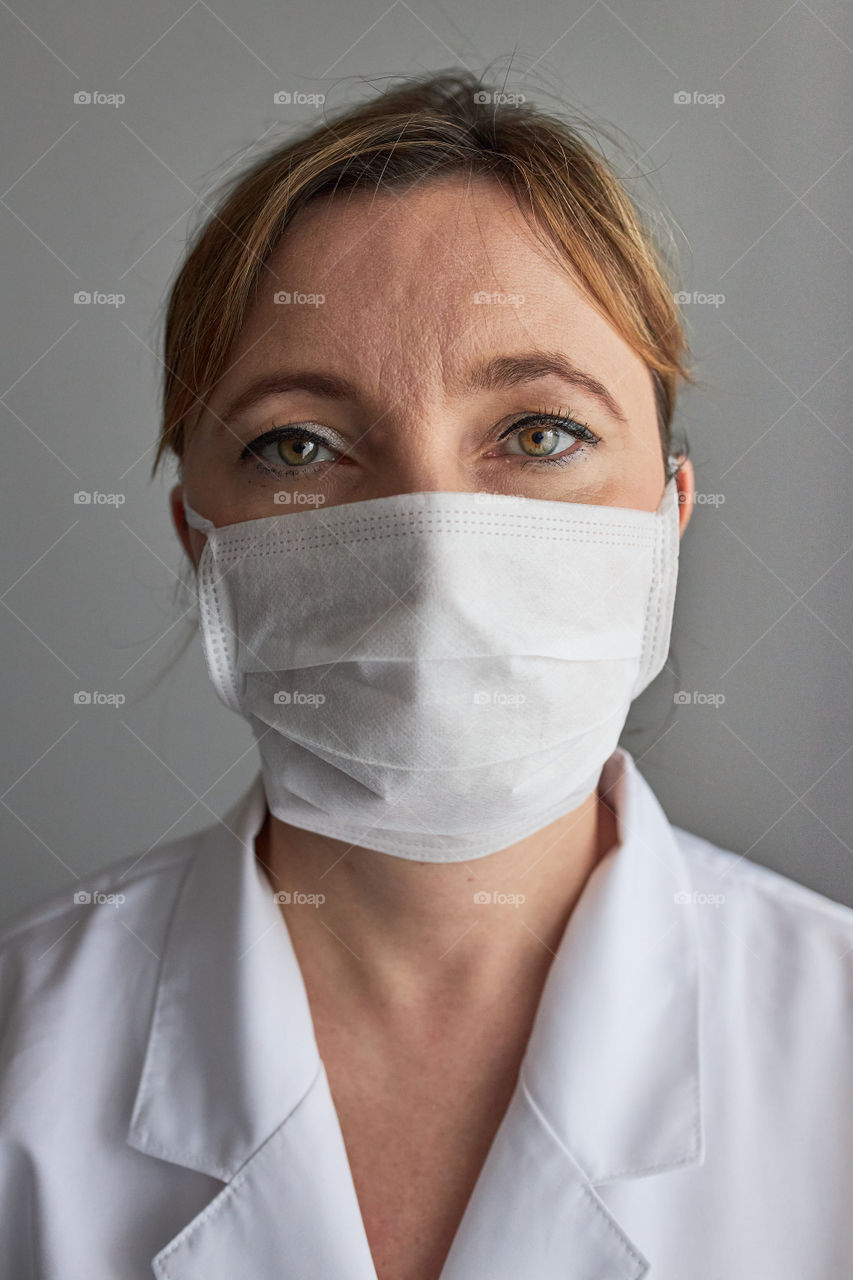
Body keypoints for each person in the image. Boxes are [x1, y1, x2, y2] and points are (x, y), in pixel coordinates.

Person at [2, 71, 852, 1280]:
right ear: (205, 547)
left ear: (666, 520)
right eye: (299, 444)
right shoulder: (19, 1056)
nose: (432, 551)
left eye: (539, 431)